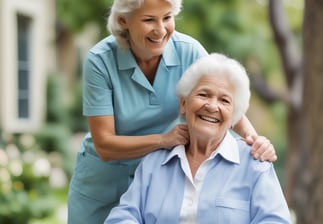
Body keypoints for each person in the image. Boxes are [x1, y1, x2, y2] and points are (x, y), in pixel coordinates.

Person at [67, 0, 277, 223]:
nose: (160, 29)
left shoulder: (188, 51)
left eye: (167, 17)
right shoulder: (100, 61)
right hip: (104, 181)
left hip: (157, 177)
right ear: (123, 20)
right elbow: (105, 145)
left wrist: (255, 143)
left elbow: (222, 99)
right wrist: (163, 140)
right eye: (149, 20)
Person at [104, 53, 291, 224]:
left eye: (224, 100)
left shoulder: (255, 164)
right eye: (203, 94)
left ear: (234, 115)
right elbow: (122, 217)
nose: (211, 106)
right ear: (184, 104)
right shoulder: (154, 164)